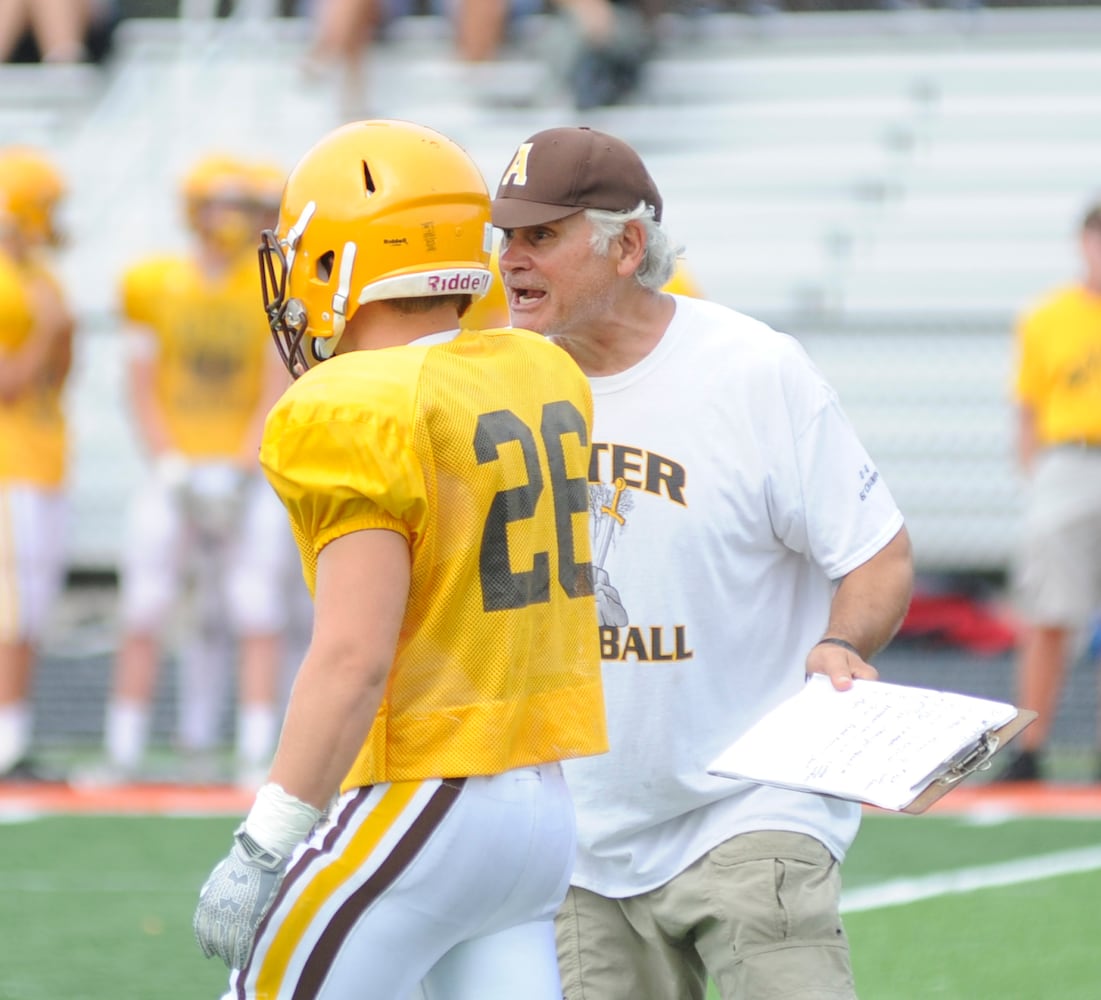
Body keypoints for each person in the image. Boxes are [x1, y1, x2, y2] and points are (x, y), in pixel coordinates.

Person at [490, 125, 914, 1000]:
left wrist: (842, 640)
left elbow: (877, 553)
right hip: (580, 837)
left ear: (626, 246)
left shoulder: (753, 370)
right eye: (505, 236)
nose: (511, 259)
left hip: (754, 804)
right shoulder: (501, 384)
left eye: (540, 235)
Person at [191, 118, 608, 999]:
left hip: (426, 798)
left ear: (341, 260)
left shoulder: (352, 402)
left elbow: (351, 656)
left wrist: (267, 837)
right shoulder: (535, 366)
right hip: (540, 817)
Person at [94, 154, 296, 788]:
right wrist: (172, 465)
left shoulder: (269, 283)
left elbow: (275, 380)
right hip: (178, 465)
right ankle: (122, 750)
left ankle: (256, 753)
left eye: (241, 205)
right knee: (145, 604)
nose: (231, 220)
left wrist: (241, 467)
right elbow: (142, 386)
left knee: (257, 606)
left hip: (245, 466)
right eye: (221, 204)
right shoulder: (154, 283)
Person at [1000, 201, 1101, 783]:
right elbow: (1028, 407)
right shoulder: (1047, 316)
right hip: (1071, 460)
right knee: (1048, 614)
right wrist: (1034, 474)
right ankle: (1029, 748)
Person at [0, 146, 75, 782]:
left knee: (34, 607)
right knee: (13, 609)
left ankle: (14, 733)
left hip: (42, 458)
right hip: (9, 463)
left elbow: (59, 378)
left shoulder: (41, 280)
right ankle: (7, 739)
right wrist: (46, 333)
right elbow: (9, 383)